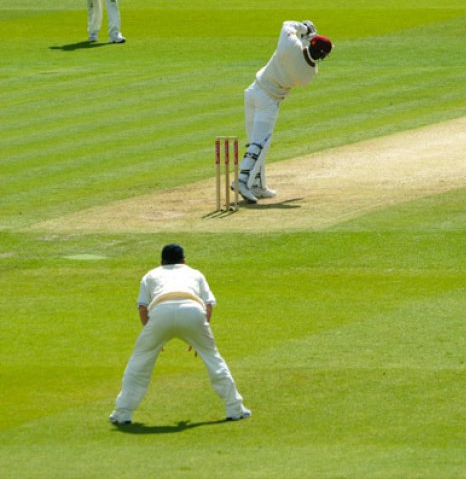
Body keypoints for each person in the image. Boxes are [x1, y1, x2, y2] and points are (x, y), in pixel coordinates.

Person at [109, 244, 251, 424]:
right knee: (213, 359)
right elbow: (208, 304)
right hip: (193, 312)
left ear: (161, 261)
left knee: (139, 361)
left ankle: (122, 413)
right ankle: (235, 409)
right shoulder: (195, 273)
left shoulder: (151, 274)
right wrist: (200, 333)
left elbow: (143, 308)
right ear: (184, 260)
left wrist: (152, 335)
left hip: (160, 313)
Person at [234, 21, 332, 203]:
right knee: (260, 143)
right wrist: (309, 39)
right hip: (268, 101)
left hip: (253, 91)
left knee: (255, 143)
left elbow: (288, 25)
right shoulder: (309, 73)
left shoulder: (288, 44)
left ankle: (258, 186)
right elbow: (304, 55)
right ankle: (242, 181)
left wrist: (304, 29)